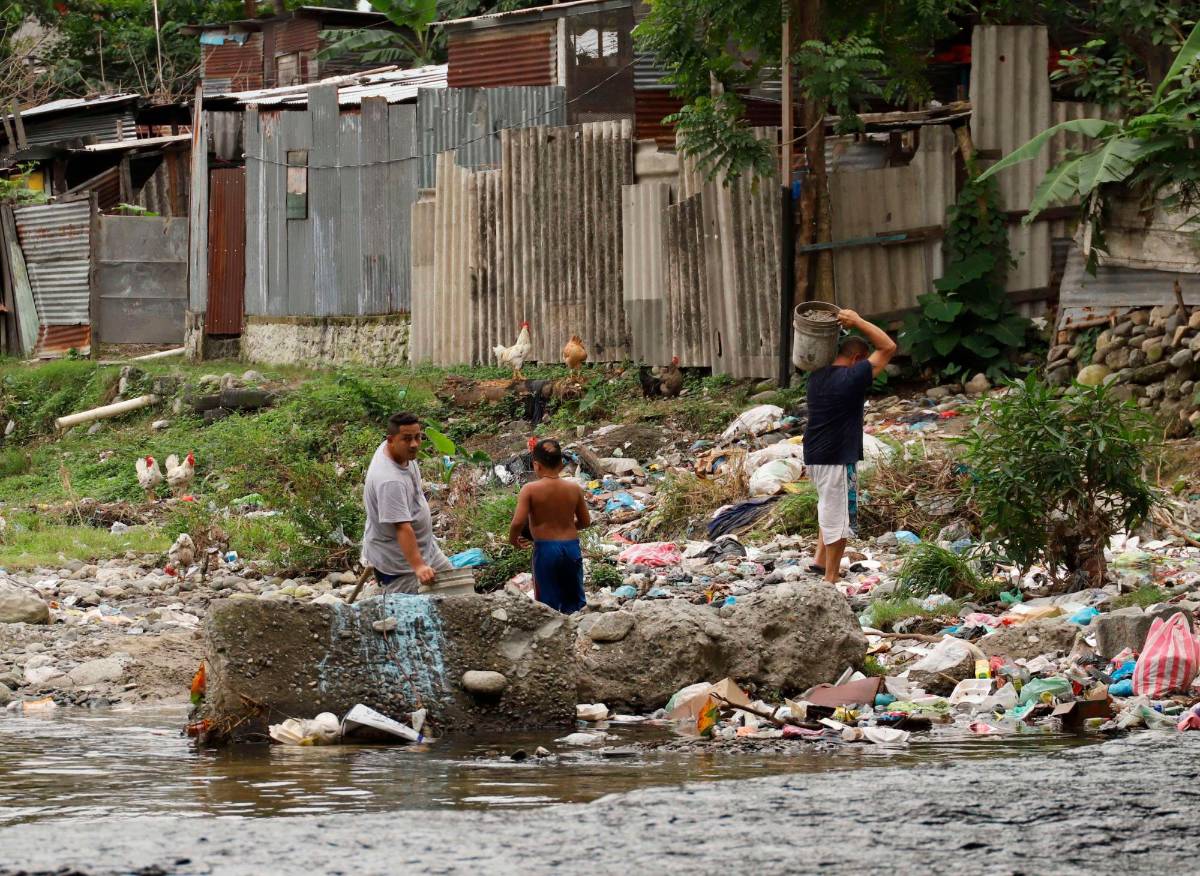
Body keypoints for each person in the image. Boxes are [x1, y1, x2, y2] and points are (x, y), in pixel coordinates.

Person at [804, 309, 897, 584]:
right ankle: (830, 579)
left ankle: (820, 562)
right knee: (838, 517)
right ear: (857, 359)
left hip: (814, 455)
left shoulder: (817, 376)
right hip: (835, 456)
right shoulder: (850, 379)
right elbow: (888, 347)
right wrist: (857, 321)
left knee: (828, 507)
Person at [361, 411, 452, 594]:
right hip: (401, 565)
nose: (414, 444)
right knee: (418, 615)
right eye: (407, 439)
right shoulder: (389, 480)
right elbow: (402, 527)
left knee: (458, 594)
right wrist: (418, 567)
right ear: (391, 440)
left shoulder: (399, 453)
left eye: (418, 437)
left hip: (427, 549)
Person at [508, 438, 591, 614]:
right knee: (575, 599)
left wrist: (513, 540)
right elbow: (585, 522)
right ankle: (577, 632)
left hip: (546, 549)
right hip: (571, 547)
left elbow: (517, 522)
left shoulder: (530, 489)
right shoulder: (574, 488)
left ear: (536, 465)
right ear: (561, 463)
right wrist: (566, 525)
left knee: (547, 605)